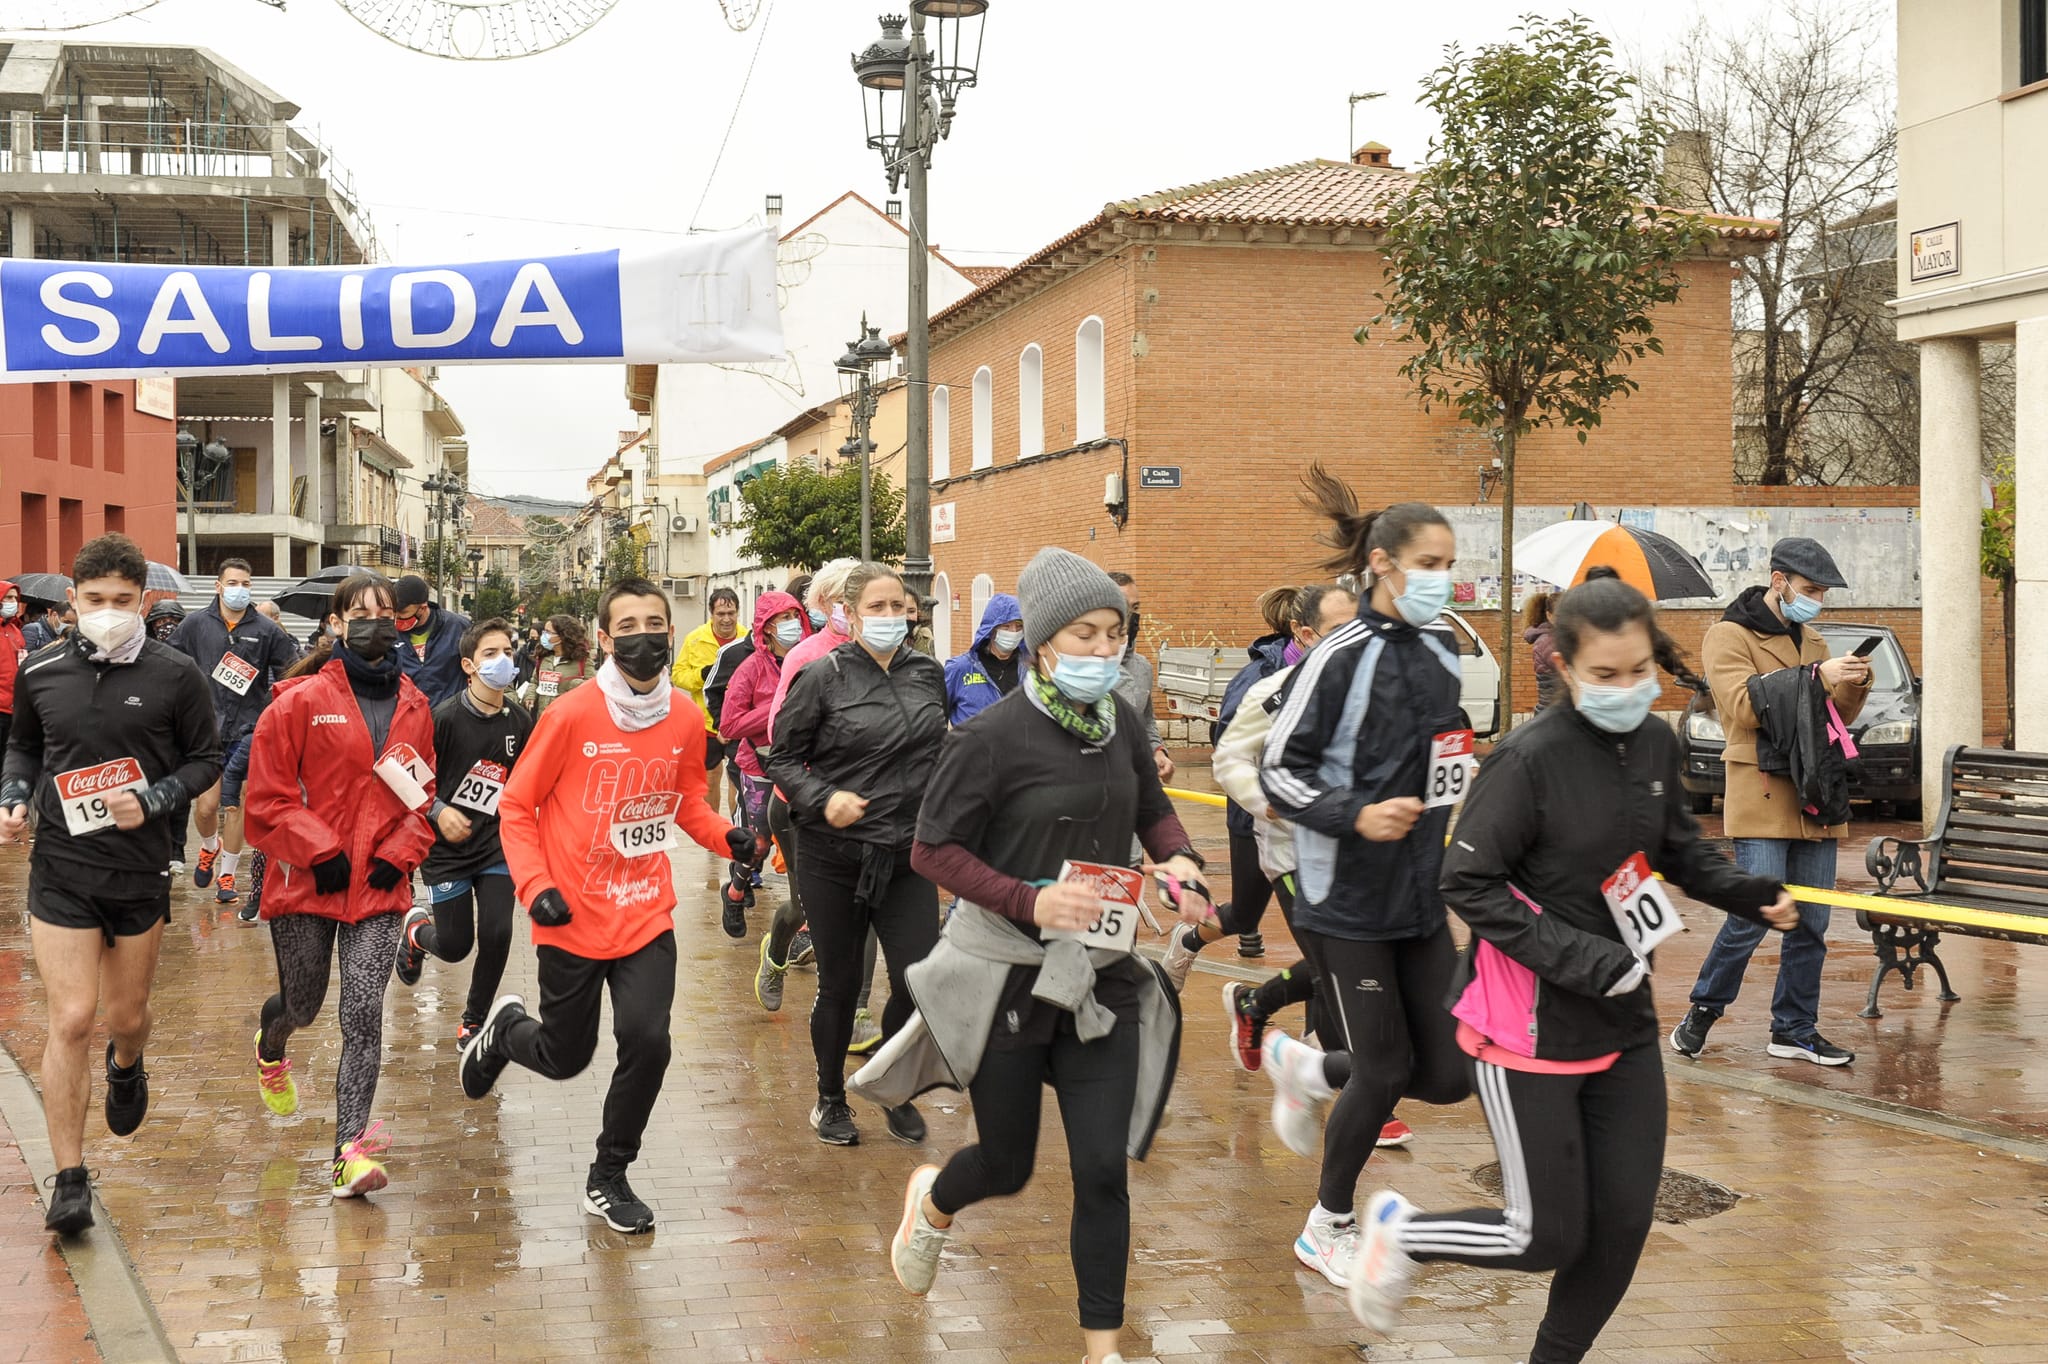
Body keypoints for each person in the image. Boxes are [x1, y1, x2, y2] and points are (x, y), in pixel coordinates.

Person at [1343, 575, 1799, 1360]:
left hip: (1621, 1021)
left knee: (1620, 1226)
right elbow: (1467, 881)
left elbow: (1675, 849)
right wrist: (1584, 957)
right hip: (1524, 1026)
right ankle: (1404, 1233)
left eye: (1638, 671)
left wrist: (1752, 893)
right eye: (1605, 674)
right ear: (1565, 667)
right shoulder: (1528, 758)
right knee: (1544, 1234)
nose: (1627, 689)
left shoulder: (1653, 743)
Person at [876, 546, 1213, 1364]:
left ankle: (1103, 1349)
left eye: (1115, 634)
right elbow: (932, 851)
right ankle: (934, 1201)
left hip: (1101, 974)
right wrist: (1031, 901)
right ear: (1043, 641)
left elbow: (1154, 809)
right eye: (1086, 634)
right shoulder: (989, 737)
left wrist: (1178, 862)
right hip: (1007, 978)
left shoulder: (1121, 720)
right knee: (1008, 1163)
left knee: (1102, 1170)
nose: (1105, 650)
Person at [459, 577, 760, 1234]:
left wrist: (725, 835)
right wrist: (536, 888)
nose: (643, 637)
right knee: (566, 1057)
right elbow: (517, 807)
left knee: (649, 1042)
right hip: (569, 913)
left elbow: (685, 800)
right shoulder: (570, 715)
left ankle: (610, 1174)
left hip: (645, 910)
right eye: (627, 627)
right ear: (603, 639)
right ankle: (504, 1034)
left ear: (671, 632)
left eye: (654, 624)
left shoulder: (684, 717)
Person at [1254, 468, 1474, 1289]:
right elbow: (1279, 768)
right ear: (1382, 564)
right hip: (1343, 897)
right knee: (1383, 1069)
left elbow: (1447, 749)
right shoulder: (1337, 656)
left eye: (1449, 564)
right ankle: (1328, 1226)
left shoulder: (1442, 648)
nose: (1441, 578)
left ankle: (1309, 1071)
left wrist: (1466, 784)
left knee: (1449, 1074)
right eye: (1429, 563)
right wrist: (1357, 814)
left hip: (1418, 894)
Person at [1, 534, 221, 1236]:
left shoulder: (177, 675)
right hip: (62, 868)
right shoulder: (40, 670)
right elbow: (24, 745)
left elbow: (206, 758)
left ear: (144, 601)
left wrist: (155, 800)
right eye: (94, 599)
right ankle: (69, 1178)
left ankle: (128, 1062)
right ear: (72, 599)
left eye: (122, 600)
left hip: (138, 870)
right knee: (70, 1018)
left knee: (126, 1017)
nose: (108, 612)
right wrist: (13, 795)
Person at [243, 573, 438, 1198]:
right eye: (360, 613)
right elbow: (265, 799)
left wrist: (401, 854)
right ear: (335, 624)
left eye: (385, 612)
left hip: (379, 888)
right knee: (303, 1006)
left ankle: (348, 1154)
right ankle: (272, 1042)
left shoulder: (416, 706)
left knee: (362, 1013)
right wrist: (318, 849)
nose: (374, 623)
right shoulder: (297, 702)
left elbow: (422, 795)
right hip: (307, 883)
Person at [766, 561, 948, 1147]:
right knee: (841, 986)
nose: (891, 616)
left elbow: (940, 750)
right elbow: (781, 758)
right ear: (849, 612)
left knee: (917, 981)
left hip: (907, 854)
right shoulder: (822, 676)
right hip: (835, 856)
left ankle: (891, 1086)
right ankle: (829, 1097)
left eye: (898, 606)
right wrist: (825, 799)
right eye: (877, 607)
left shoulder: (927, 673)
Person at [1671, 537, 1870, 1067]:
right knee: (1753, 913)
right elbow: (1742, 707)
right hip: (1761, 791)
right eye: (1810, 589)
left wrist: (1853, 682)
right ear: (1779, 582)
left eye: (1822, 593)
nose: (1816, 601)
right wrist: (1816, 678)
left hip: (1816, 793)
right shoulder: (1728, 634)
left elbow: (1833, 718)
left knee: (1813, 922)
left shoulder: (1815, 641)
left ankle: (1795, 1029)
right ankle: (1703, 1010)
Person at [1210, 585, 1363, 1072]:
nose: (1354, 642)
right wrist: (1267, 802)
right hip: (1295, 853)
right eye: (1340, 631)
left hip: (1361, 852)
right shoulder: (1271, 690)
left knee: (1344, 962)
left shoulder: (1376, 687)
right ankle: (1345, 1074)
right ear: (1305, 633)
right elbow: (1229, 758)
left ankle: (1258, 1006)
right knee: (1336, 963)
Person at [394, 618, 535, 1046]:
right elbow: (403, 775)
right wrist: (439, 812)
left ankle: (474, 1020)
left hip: (496, 844)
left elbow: (530, 782)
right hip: (447, 849)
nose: (502, 660)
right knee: (455, 946)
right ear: (468, 666)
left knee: (498, 932)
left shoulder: (520, 720)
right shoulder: (443, 719)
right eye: (490, 654)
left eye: (507, 652)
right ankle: (417, 932)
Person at [768, 559, 886, 1051]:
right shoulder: (806, 657)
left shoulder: (884, 656)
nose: (849, 608)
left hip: (868, 808)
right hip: (804, 807)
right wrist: (825, 788)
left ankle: (857, 1011)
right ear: (823, 605)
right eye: (841, 599)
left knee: (867, 905)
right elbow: (779, 735)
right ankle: (777, 947)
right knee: (808, 909)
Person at [1160, 586, 1299, 989]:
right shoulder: (1259, 677)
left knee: (1319, 933)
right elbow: (1228, 744)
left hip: (1308, 823)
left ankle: (1310, 1026)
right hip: (1256, 818)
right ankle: (1188, 941)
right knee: (1244, 914)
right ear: (1302, 630)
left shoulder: (1333, 671)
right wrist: (1264, 790)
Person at [169, 558, 299, 908]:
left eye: (245, 584)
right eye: (232, 583)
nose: (239, 590)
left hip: (248, 729)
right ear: (218, 586)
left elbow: (291, 671)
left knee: (235, 802)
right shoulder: (196, 624)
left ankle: (227, 876)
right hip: (206, 729)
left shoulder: (267, 630)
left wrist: (275, 708)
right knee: (206, 806)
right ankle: (209, 847)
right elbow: (170, 661)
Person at [717, 588, 810, 975]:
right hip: (759, 766)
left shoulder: (810, 660)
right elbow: (729, 725)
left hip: (802, 768)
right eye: (783, 619)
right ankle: (735, 891)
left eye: (795, 617)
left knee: (803, 847)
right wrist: (775, 710)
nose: (792, 625)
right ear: (767, 628)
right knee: (758, 843)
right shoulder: (750, 669)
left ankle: (804, 927)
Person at [674, 587, 744, 812]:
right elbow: (678, 675)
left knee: (738, 781)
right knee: (711, 779)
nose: (726, 619)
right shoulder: (695, 639)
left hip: (739, 722)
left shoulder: (747, 639)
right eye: (721, 614)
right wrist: (702, 676)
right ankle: (713, 828)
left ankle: (737, 828)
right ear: (711, 614)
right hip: (706, 724)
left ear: (738, 612)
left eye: (731, 613)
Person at [1106, 572, 1172, 784]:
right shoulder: (1084, 669)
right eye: (1123, 607)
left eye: (1135, 607)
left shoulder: (1142, 667)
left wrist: (1157, 751)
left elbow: (1146, 721)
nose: (1131, 616)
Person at [941, 593, 1024, 725]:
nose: (1013, 632)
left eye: (1019, 626)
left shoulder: (1029, 669)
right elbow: (936, 718)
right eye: (1006, 626)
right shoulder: (959, 669)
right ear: (991, 629)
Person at [391, 573, 472, 707]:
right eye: (395, 613)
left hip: (451, 714)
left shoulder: (458, 627)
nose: (397, 618)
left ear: (422, 608)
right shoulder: (389, 633)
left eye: (403, 613)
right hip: (410, 715)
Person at [527, 614, 595, 719]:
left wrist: (574, 684)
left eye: (548, 632)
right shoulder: (544, 658)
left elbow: (592, 689)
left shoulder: (582, 660)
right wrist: (529, 696)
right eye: (544, 632)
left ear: (562, 636)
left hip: (568, 719)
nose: (544, 636)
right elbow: (535, 682)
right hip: (544, 718)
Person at [1524, 590, 1562, 714]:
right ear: (1549, 615)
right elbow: (1570, 668)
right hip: (1552, 712)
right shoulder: (1547, 641)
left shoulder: (1558, 637)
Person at [0, 580, 24, 755]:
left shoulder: (15, 630)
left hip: (14, 708)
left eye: (15, 598)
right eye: (8, 597)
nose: (13, 602)